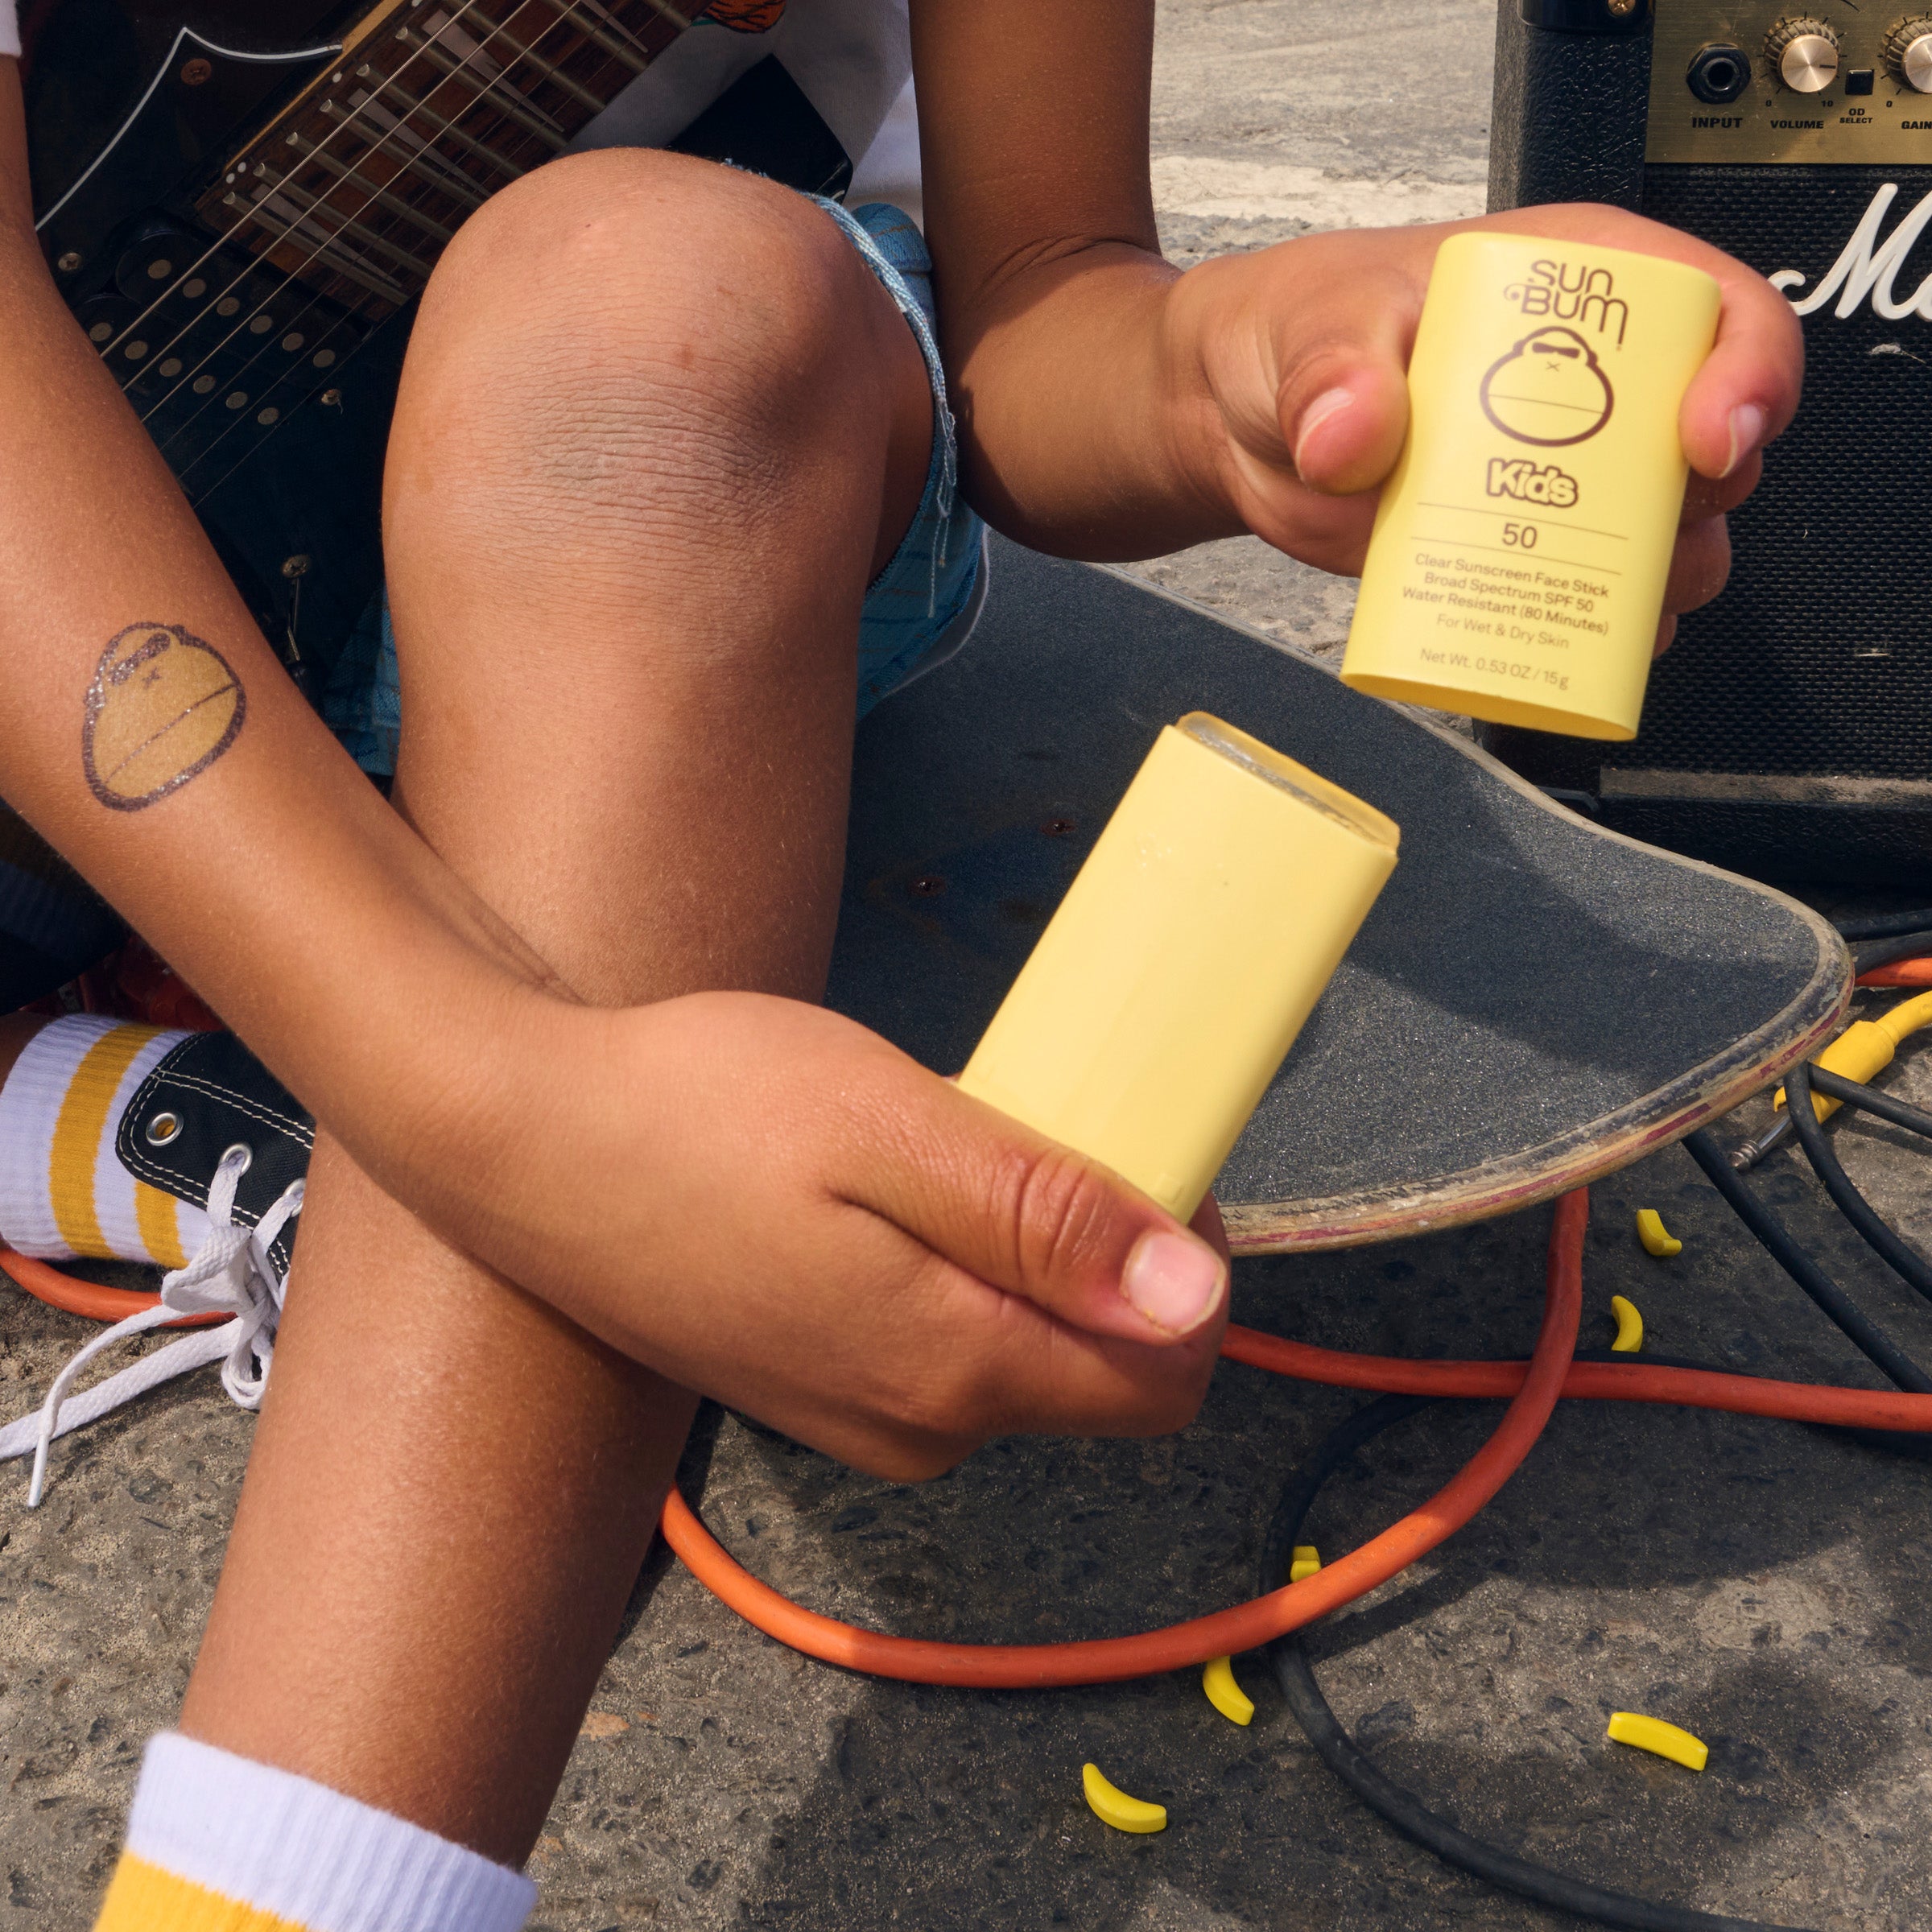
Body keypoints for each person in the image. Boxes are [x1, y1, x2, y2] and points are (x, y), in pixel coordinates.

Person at [0, 2, 1802, 1926]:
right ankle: (172, 1101)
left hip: (598, 542)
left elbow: (1041, 312)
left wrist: (1228, 372)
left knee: (655, 302)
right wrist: (489, 1098)